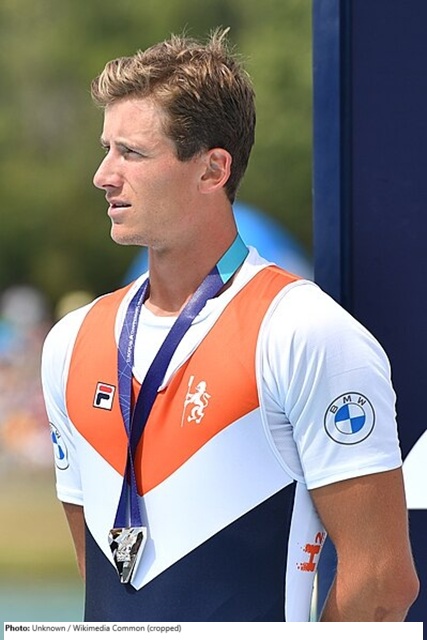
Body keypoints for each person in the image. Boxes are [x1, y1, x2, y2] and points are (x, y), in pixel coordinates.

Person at [41, 28, 419, 622]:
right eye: (106, 148)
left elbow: (381, 586)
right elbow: (103, 578)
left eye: (132, 153)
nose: (103, 175)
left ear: (213, 169)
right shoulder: (70, 341)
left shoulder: (305, 331)